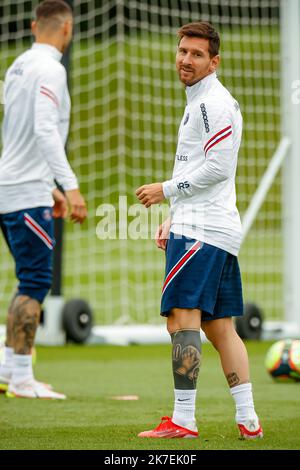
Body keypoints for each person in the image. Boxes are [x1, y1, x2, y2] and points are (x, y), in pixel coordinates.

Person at [136, 21, 263, 439]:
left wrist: (166, 191)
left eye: (196, 54)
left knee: (181, 318)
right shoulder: (204, 100)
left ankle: (183, 421)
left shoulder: (212, 102)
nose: (186, 60)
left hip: (203, 230)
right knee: (219, 326)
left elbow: (218, 167)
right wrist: (177, 214)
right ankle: (248, 421)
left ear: (214, 62)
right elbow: (208, 171)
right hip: (211, 225)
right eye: (182, 52)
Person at [0, 0, 87, 399]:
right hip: (25, 192)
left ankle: (7, 371)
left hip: (12, 184)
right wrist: (68, 186)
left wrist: (48, 186)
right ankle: (21, 377)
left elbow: (16, 132)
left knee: (27, 282)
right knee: (34, 282)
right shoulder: (52, 69)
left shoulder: (18, 65)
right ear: (67, 29)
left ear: (36, 26)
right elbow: (43, 129)